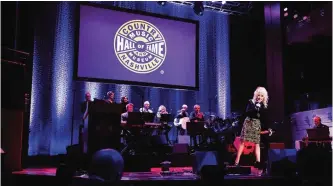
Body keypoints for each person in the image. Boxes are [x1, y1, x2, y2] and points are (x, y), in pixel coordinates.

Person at [234, 87, 269, 167]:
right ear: (256, 95)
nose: (259, 97)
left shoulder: (263, 106)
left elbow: (263, 117)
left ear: (264, 97)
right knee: (243, 142)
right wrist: (255, 107)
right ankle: (237, 161)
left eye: (261, 96)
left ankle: (258, 162)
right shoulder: (251, 102)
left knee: (257, 143)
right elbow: (247, 112)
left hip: (256, 124)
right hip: (249, 122)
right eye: (258, 95)